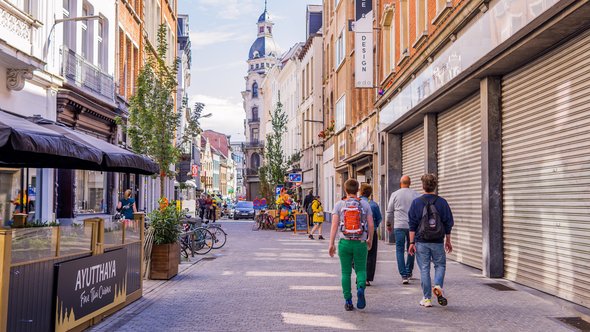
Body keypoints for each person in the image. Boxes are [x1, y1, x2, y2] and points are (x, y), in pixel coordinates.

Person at [408, 174, 454, 308]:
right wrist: (448, 240)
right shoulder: (442, 202)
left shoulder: (416, 202)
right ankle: (438, 285)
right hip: (438, 241)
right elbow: (448, 223)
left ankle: (427, 298)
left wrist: (411, 243)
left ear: (423, 186)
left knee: (424, 268)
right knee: (440, 265)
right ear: (435, 186)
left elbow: (412, 224)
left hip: (421, 241)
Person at [329, 179, 374, 311]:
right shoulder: (365, 204)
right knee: (361, 270)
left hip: (345, 243)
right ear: (358, 190)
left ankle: (348, 301)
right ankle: (360, 287)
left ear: (345, 190)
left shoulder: (339, 205)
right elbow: (371, 224)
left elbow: (334, 225)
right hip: (360, 243)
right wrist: (369, 238)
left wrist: (331, 244)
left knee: (345, 272)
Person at [386, 175, 420, 284]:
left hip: (399, 226)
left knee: (399, 250)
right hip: (412, 227)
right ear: (409, 183)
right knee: (411, 248)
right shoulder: (416, 194)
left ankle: (403, 275)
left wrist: (388, 224)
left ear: (401, 183)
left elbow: (389, 211)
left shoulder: (395, 194)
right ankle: (409, 271)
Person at [360, 183, 382, 287]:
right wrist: (374, 228)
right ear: (370, 193)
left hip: (357, 234)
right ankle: (367, 278)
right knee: (370, 256)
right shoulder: (373, 204)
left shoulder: (356, 202)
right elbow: (379, 219)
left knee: (358, 255)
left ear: (360, 191)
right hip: (370, 233)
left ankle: (359, 275)